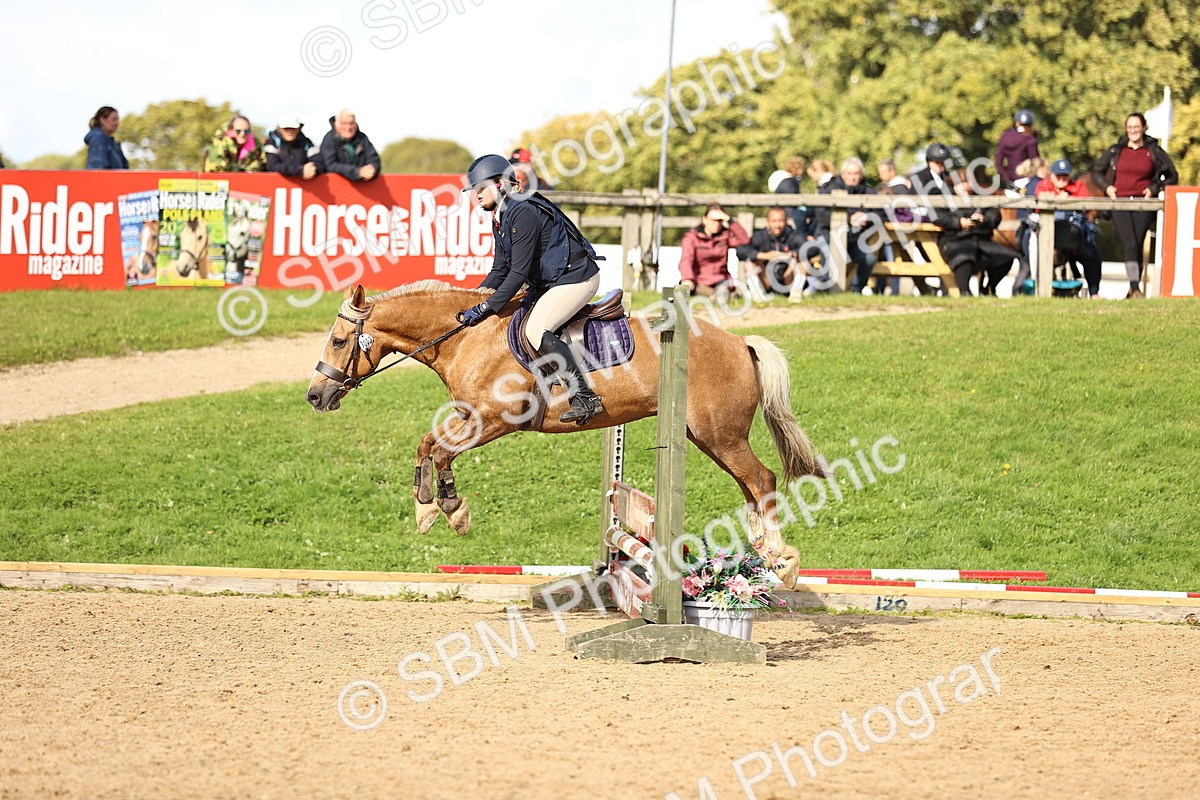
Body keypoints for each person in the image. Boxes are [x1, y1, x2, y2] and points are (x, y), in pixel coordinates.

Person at [456, 154, 605, 425]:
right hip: (553, 281)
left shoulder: (522, 212)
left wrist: (487, 307)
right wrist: (474, 299)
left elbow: (518, 274)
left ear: (500, 185)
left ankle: (584, 396)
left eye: (480, 189)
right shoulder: (501, 216)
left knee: (536, 329)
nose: (475, 196)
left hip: (577, 280)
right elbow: (500, 270)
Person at [1090, 112, 1179, 298]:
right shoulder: (1116, 151)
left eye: (1136, 127)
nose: (1133, 131)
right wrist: (1108, 188)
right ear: (1126, 129)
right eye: (1129, 127)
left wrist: (1153, 188)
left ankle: (1133, 288)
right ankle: (1135, 287)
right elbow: (1097, 171)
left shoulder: (1153, 151)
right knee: (1129, 242)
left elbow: (1171, 175)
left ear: (1144, 128)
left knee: (1136, 243)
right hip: (1120, 202)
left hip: (1143, 204)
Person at [934, 171, 1017, 296]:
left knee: (1006, 256)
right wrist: (959, 222)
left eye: (968, 189)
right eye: (963, 189)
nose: (966, 193)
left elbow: (995, 216)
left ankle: (989, 289)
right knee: (964, 255)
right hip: (954, 240)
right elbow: (937, 217)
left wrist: (984, 219)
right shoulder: (944, 198)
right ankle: (965, 292)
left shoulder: (982, 197)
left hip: (981, 240)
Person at [1036, 159, 1103, 299]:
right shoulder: (1043, 186)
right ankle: (1040, 292)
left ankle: (1094, 293)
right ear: (1052, 176)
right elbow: (1037, 208)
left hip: (1075, 237)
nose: (1061, 179)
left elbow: (1087, 206)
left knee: (1093, 254)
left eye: (1064, 176)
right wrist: (1057, 199)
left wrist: (1069, 200)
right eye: (1058, 175)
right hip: (1049, 237)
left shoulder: (1078, 186)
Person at [678, 203, 750, 298]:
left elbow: (744, 240)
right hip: (697, 281)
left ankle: (715, 296)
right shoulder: (691, 238)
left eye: (720, 220)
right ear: (704, 219)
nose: (716, 223)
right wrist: (687, 279)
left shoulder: (725, 236)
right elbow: (686, 260)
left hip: (720, 281)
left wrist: (729, 220)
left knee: (721, 294)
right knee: (679, 294)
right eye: (713, 220)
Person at [736, 206, 807, 297]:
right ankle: (757, 296)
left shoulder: (793, 234)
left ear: (786, 221)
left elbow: (812, 249)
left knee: (802, 260)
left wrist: (791, 255)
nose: (777, 225)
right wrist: (765, 256)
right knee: (749, 263)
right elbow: (741, 251)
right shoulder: (760, 236)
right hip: (766, 281)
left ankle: (795, 295)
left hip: (788, 280)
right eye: (774, 221)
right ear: (768, 222)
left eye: (780, 221)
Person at [320, 109, 381, 182]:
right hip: (336, 186)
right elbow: (330, 165)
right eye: (344, 123)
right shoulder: (329, 139)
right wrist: (357, 172)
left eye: (351, 123)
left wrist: (371, 169)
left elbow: (374, 160)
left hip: (364, 188)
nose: (348, 128)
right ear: (337, 124)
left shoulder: (362, 138)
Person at [264, 112, 322, 179]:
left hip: (303, 188)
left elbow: (319, 163)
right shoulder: (272, 142)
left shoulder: (307, 143)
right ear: (279, 129)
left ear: (299, 128)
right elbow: (272, 166)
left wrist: (312, 170)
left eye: (293, 128)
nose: (289, 131)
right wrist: (300, 170)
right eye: (286, 128)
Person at [995, 109, 1041, 186]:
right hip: (1027, 181)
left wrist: (1006, 178)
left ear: (1017, 123)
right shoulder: (1030, 139)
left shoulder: (1004, 136)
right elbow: (1035, 162)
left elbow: (998, 162)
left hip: (1011, 181)